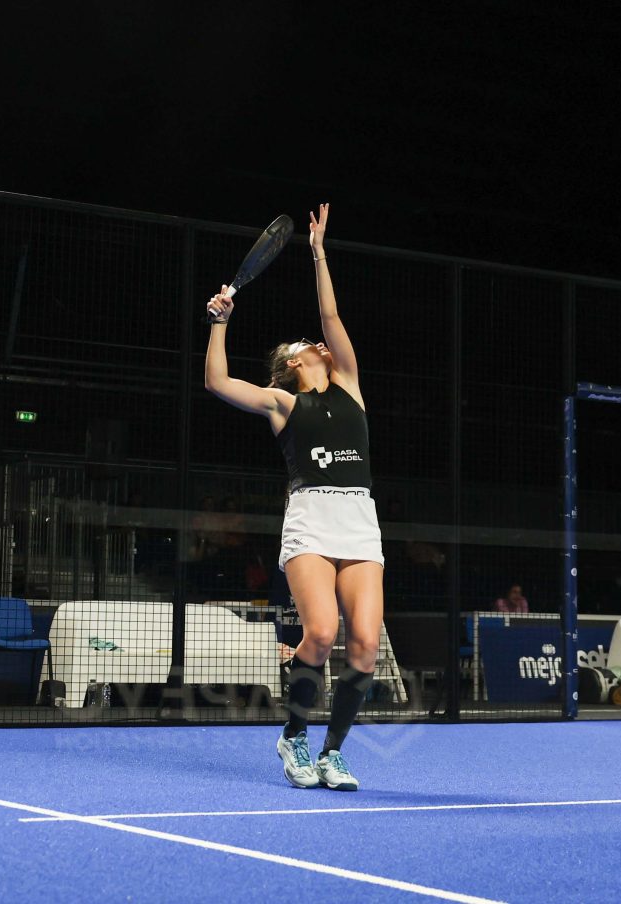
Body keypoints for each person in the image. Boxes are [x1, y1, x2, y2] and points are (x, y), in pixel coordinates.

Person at [204, 203, 382, 792]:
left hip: (359, 521)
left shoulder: (349, 385)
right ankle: (294, 736)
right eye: (305, 344)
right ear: (290, 364)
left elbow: (330, 313)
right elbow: (217, 382)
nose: (318, 343)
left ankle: (333, 753)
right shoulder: (283, 404)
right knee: (323, 633)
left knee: (364, 646)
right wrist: (220, 321)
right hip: (311, 520)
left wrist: (318, 252)